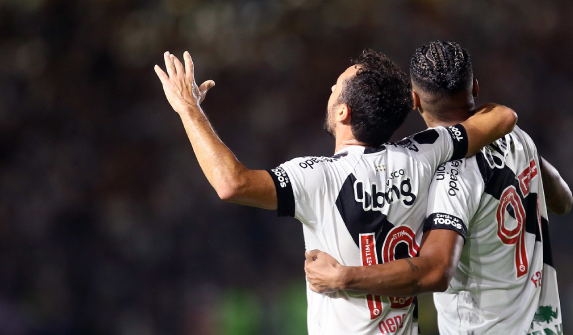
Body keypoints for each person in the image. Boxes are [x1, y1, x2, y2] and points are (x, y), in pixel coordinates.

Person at [154, 49, 517, 335]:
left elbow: (231, 183)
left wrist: (189, 110)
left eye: (334, 88)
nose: (328, 91)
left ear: (342, 112)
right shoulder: (424, 152)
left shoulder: (318, 177)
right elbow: (503, 117)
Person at [304, 41, 571, 334]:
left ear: (414, 100)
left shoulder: (449, 174)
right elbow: (562, 200)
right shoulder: (516, 136)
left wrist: (344, 278)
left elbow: (436, 270)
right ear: (476, 88)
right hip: (544, 325)